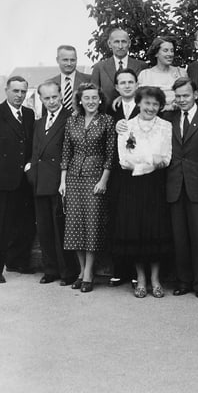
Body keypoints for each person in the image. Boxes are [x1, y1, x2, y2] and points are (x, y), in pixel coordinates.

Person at [113, 87, 172, 298]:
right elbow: (124, 161)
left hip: (156, 185)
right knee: (136, 231)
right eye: (147, 103)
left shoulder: (166, 126)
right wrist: (148, 162)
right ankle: (141, 279)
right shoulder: (126, 126)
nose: (151, 108)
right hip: (132, 186)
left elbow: (165, 158)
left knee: (155, 231)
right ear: (139, 103)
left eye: (155, 104)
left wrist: (142, 163)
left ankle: (155, 279)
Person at [59, 83, 115, 293]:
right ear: (80, 100)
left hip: (95, 177)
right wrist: (63, 180)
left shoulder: (107, 120)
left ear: (100, 100)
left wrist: (104, 180)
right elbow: (66, 150)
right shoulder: (72, 120)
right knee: (74, 226)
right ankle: (82, 271)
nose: (90, 101)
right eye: (86, 98)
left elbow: (111, 154)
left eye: (94, 98)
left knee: (91, 226)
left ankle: (90, 273)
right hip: (73, 176)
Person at [166, 78, 198, 298]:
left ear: (195, 94)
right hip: (174, 183)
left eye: (185, 95)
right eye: (177, 96)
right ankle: (183, 281)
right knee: (179, 236)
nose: (182, 100)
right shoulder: (168, 117)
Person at [27, 81, 77, 285]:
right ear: (41, 99)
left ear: (61, 96)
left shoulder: (71, 119)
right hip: (39, 182)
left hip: (60, 181)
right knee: (45, 227)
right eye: (46, 98)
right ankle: (50, 270)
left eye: (54, 97)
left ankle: (68, 272)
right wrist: (30, 170)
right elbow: (35, 152)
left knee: (61, 228)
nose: (51, 101)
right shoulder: (39, 123)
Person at [0, 76, 36, 282]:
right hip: (4, 179)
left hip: (25, 179)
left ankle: (18, 262)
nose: (19, 95)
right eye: (16, 91)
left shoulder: (29, 114)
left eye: (23, 92)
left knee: (25, 223)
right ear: (7, 90)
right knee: (3, 224)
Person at [107, 69, 140, 287]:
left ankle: (138, 271)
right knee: (118, 219)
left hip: (139, 171)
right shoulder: (110, 109)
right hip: (117, 172)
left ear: (137, 84)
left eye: (130, 82)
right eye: (122, 83)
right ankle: (120, 269)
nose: (127, 86)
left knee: (137, 220)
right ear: (117, 87)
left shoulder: (145, 106)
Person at [90, 28, 147, 109]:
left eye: (124, 42)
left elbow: (145, 93)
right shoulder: (99, 67)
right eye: (116, 42)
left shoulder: (141, 66)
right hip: (107, 114)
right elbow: (93, 94)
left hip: (135, 114)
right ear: (109, 44)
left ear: (129, 43)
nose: (120, 46)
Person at [138, 36, 186, 110]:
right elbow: (138, 100)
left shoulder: (181, 73)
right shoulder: (145, 75)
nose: (170, 54)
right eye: (165, 50)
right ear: (156, 53)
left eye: (172, 50)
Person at [47, 45, 91, 112]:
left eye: (72, 60)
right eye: (65, 60)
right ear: (57, 60)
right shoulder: (49, 83)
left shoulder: (89, 80)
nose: (69, 63)